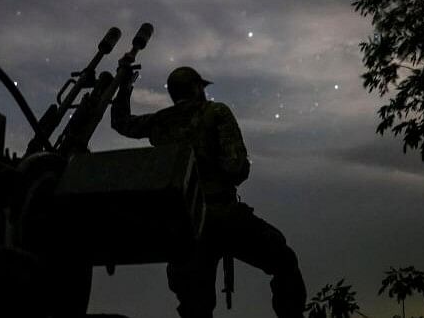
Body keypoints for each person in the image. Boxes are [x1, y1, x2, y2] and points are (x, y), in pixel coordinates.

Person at [111, 66, 307, 318]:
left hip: (185, 225)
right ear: (195, 88)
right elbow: (236, 166)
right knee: (284, 261)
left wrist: (124, 85)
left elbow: (121, 122)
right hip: (222, 214)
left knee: (195, 307)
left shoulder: (159, 121)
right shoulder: (216, 112)